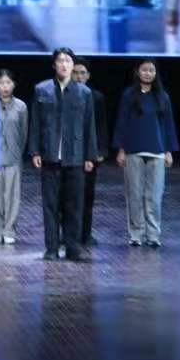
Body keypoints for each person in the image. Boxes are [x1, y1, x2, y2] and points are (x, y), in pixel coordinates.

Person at [28, 47, 98, 261]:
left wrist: (90, 156)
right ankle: (51, 248)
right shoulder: (42, 90)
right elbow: (35, 122)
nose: (64, 64)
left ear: (73, 65)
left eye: (68, 60)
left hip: (75, 157)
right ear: (54, 65)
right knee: (50, 205)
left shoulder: (84, 93)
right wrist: (35, 150)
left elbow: (89, 126)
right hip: (50, 156)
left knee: (74, 205)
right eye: (60, 60)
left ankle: (73, 247)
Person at [114, 59, 180, 248]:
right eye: (144, 70)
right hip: (133, 149)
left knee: (154, 196)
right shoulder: (129, 95)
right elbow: (122, 122)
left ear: (155, 73)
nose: (148, 73)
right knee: (134, 194)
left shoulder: (162, 96)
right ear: (137, 72)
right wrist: (121, 149)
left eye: (151, 70)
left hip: (157, 150)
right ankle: (136, 234)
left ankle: (153, 235)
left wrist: (168, 151)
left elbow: (168, 125)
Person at [73, 57, 109, 247]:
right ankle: (68, 233)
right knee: (68, 196)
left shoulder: (96, 97)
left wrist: (100, 150)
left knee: (87, 195)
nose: (79, 76)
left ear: (88, 75)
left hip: (89, 153)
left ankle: (86, 234)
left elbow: (101, 125)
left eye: (82, 73)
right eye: (75, 72)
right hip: (69, 152)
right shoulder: (64, 93)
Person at [0, 69, 28, 246]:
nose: (5, 87)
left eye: (8, 83)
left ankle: (9, 230)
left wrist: (18, 152)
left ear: (13, 85)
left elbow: (24, 133)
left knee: (12, 196)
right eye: (1, 83)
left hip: (14, 157)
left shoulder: (21, 106)